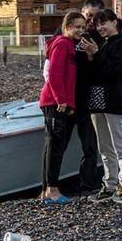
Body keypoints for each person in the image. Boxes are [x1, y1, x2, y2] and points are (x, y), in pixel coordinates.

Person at [84, 9, 122, 204]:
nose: (100, 27)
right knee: (105, 147)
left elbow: (112, 71)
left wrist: (96, 53)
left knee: (121, 145)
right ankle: (110, 184)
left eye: (104, 23)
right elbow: (97, 71)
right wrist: (91, 56)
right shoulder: (104, 44)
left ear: (115, 22)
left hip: (116, 101)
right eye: (98, 24)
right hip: (99, 101)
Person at [39, 11, 87, 204]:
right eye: (77, 27)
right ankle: (52, 190)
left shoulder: (70, 45)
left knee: (54, 146)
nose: (80, 31)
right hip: (55, 103)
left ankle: (46, 190)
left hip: (62, 104)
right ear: (67, 26)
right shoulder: (62, 44)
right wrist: (61, 101)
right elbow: (55, 75)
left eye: (83, 28)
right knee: (55, 147)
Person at [70, 0, 106, 194]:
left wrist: (93, 55)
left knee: (90, 144)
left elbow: (103, 66)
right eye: (88, 16)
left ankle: (87, 184)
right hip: (67, 96)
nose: (91, 20)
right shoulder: (66, 35)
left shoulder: (98, 37)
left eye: (95, 16)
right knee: (59, 143)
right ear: (82, 13)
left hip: (89, 96)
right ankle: (52, 184)